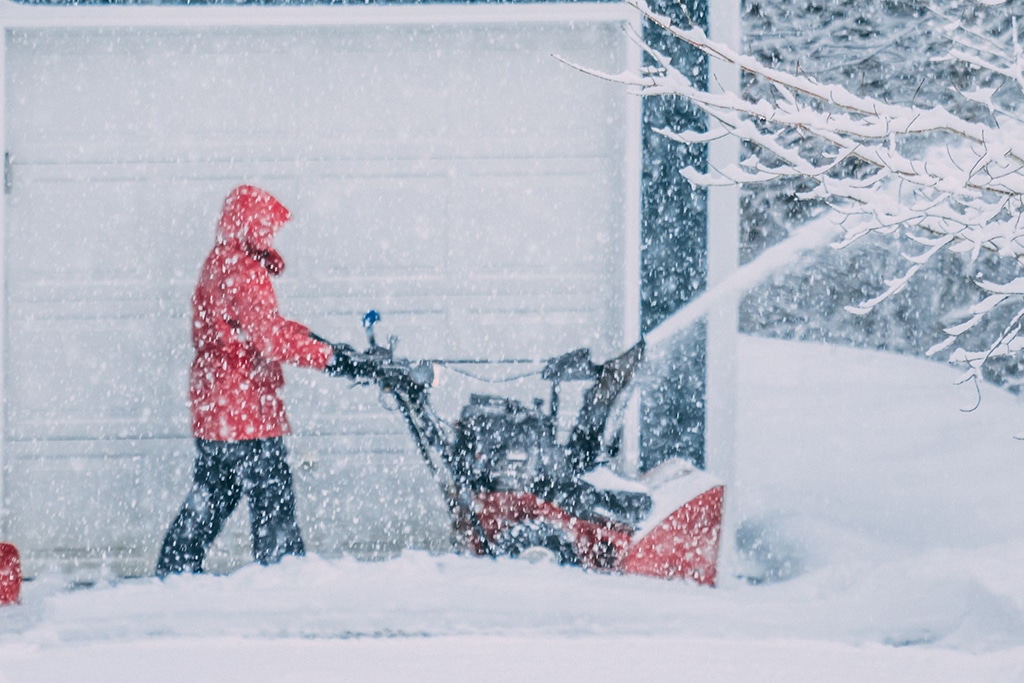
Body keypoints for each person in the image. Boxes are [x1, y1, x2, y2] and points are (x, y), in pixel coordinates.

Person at [156, 185, 352, 576]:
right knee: (272, 498)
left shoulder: (218, 263)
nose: (271, 236)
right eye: (266, 227)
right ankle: (283, 577)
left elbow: (257, 327)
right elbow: (269, 338)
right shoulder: (246, 271)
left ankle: (173, 570)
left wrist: (314, 339)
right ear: (252, 224)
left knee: (213, 492)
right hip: (246, 410)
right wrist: (330, 359)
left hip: (216, 407)